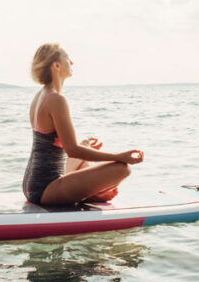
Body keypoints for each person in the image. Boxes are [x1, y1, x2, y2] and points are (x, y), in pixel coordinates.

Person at [22, 43, 144, 205]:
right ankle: (93, 196)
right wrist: (118, 156)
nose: (71, 63)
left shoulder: (40, 96)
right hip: (45, 188)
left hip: (32, 184)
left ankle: (92, 194)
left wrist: (84, 146)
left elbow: (53, 146)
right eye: (67, 58)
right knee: (122, 168)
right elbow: (72, 150)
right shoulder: (56, 100)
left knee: (84, 163)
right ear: (56, 65)